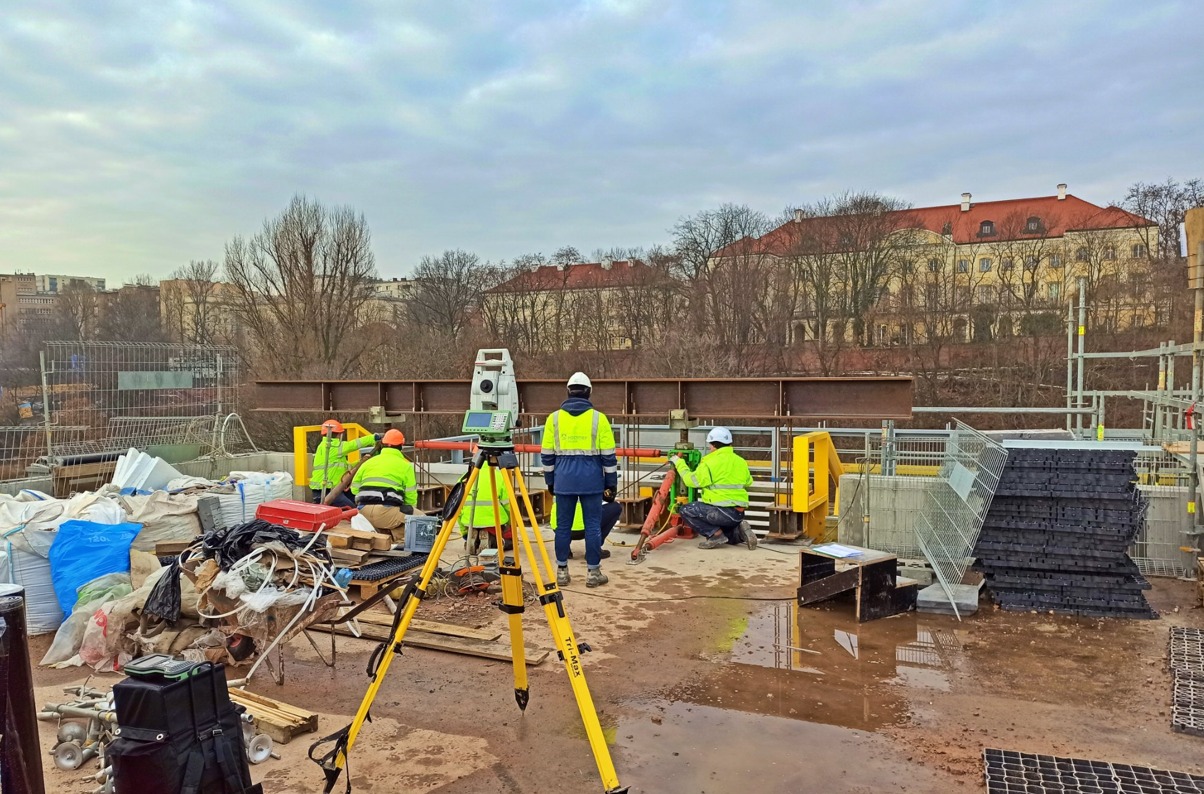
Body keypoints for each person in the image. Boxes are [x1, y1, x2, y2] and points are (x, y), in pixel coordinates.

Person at [541, 372, 617, 588]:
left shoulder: (554, 419)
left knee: (563, 527)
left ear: (568, 391)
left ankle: (562, 572)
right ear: (589, 392)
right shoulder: (599, 419)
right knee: (592, 526)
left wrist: (550, 480)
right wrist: (611, 483)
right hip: (591, 481)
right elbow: (609, 456)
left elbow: (547, 455)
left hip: (563, 480)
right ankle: (593, 573)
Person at [672, 427, 758, 551]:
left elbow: (691, 481)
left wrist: (679, 463)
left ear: (714, 445)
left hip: (721, 512)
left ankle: (715, 535)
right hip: (738, 514)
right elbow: (749, 481)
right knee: (727, 536)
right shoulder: (740, 461)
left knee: (686, 510)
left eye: (710, 445)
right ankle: (740, 532)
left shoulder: (709, 462)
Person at [351, 428, 420, 541]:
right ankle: (390, 536)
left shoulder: (368, 462)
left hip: (363, 512)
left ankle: (378, 532)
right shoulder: (405, 466)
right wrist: (406, 509)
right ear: (401, 445)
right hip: (386, 513)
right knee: (422, 520)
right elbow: (410, 497)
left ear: (383, 444)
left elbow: (354, 489)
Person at [309, 419, 378, 509]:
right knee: (353, 510)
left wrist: (361, 461)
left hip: (325, 490)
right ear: (339, 435)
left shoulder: (324, 447)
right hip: (327, 492)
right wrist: (374, 437)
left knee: (355, 501)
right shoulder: (334, 446)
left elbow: (346, 467)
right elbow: (354, 444)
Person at [460, 459, 512, 553]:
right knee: (510, 542)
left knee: (471, 530)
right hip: (493, 522)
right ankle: (492, 541)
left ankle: (473, 539)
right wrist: (509, 524)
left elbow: (456, 510)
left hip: (469, 522)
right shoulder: (499, 476)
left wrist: (464, 532)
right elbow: (508, 507)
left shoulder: (464, 478)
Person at [551, 497, 620, 559]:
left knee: (566, 510)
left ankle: (564, 550)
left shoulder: (559, 486)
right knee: (616, 507)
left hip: (558, 528)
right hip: (584, 528)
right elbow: (608, 496)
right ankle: (593, 550)